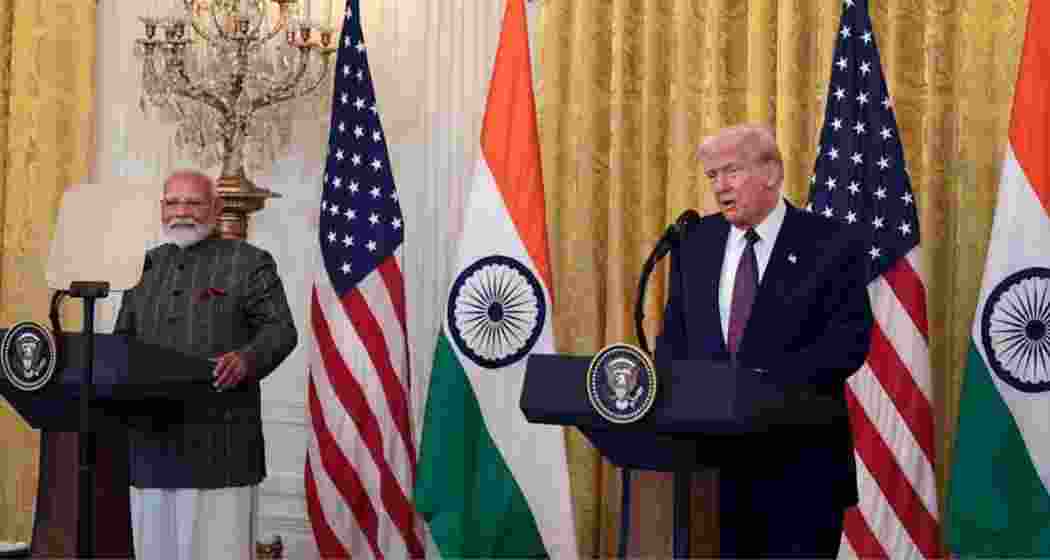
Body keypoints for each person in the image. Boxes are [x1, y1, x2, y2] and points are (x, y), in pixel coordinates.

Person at [655, 124, 874, 557]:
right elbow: (674, 340)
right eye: (712, 176)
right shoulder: (695, 242)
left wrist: (759, 387)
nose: (720, 187)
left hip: (799, 470)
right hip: (709, 474)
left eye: (731, 172)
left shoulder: (831, 243)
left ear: (771, 172)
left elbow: (848, 341)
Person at [114, 170, 298, 560]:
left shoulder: (249, 262)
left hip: (221, 450)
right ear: (162, 208)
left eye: (193, 203)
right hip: (151, 448)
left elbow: (281, 330)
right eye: (172, 202)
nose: (182, 211)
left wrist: (246, 359)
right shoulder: (142, 266)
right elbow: (122, 345)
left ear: (215, 209)